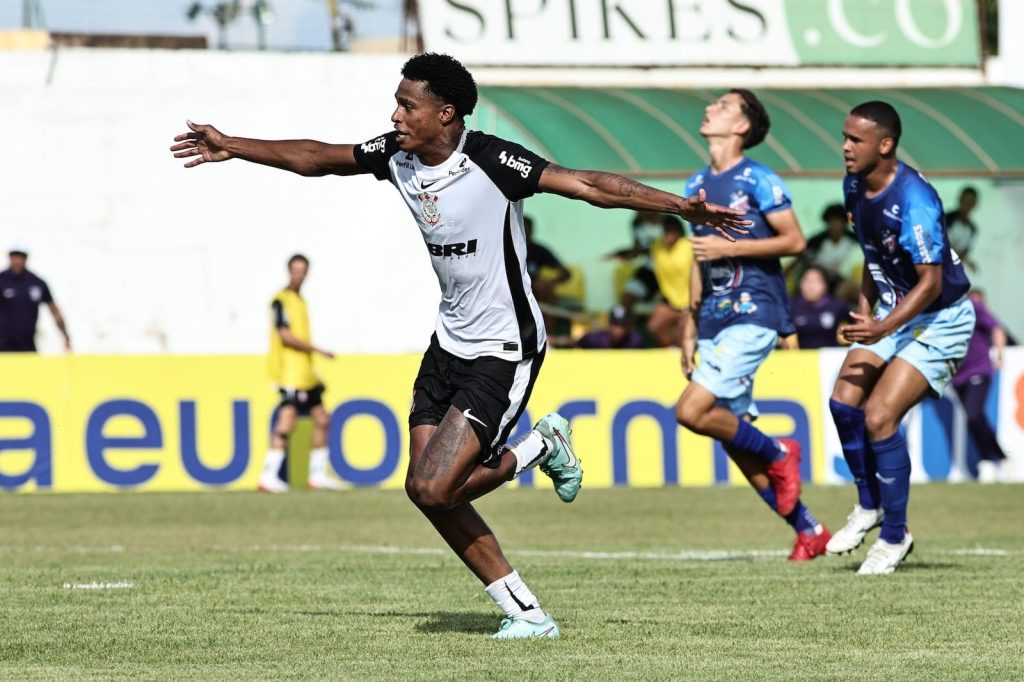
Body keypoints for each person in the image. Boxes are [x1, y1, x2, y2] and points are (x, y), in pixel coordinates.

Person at [170, 52, 748, 639]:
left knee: (433, 486)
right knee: (426, 491)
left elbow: (587, 185)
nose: (395, 116)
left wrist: (682, 208)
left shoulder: (492, 159)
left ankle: (540, 446)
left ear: (445, 113)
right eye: (396, 104)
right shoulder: (396, 156)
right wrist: (232, 145)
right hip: (448, 344)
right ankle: (526, 613)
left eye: (407, 105)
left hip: (504, 348)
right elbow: (318, 158)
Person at [675, 89, 832, 562]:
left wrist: (731, 248)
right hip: (714, 319)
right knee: (737, 441)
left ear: (742, 126)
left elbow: (795, 240)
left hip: (754, 312)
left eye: (723, 106)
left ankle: (781, 451)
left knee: (691, 411)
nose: (710, 108)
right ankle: (809, 529)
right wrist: (689, 324)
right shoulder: (695, 182)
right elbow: (699, 256)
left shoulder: (759, 179)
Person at [826, 101, 974, 574]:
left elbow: (931, 283)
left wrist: (882, 327)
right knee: (843, 403)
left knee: (879, 416)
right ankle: (868, 505)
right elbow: (872, 256)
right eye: (845, 136)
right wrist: (865, 309)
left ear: (885, 145)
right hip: (893, 312)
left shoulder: (915, 201)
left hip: (941, 318)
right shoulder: (854, 185)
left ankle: (895, 536)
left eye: (856, 139)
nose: (845, 146)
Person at [260, 254, 347, 493]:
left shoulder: (301, 301)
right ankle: (268, 475)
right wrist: (318, 350)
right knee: (287, 421)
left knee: (322, 419)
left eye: (302, 270)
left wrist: (312, 372)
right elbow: (285, 337)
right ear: (288, 271)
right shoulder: (280, 301)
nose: (299, 275)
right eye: (295, 270)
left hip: (304, 373)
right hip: (290, 374)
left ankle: (317, 475)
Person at [952, 290, 1009, 483]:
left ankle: (988, 461)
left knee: (974, 414)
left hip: (978, 369)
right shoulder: (939, 309)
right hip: (957, 377)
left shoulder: (972, 306)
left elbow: (997, 328)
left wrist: (999, 354)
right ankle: (999, 458)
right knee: (976, 419)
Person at [0, 245, 71, 353]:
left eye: (21, 257)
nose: (17, 261)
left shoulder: (37, 282)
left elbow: (54, 310)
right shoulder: (2, 280)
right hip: (3, 346)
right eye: (15, 256)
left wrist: (65, 336)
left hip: (28, 345)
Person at [792, 203, 862, 301]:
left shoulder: (853, 240)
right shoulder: (816, 241)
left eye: (838, 221)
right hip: (817, 278)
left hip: (839, 280)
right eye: (832, 221)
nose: (835, 225)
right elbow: (801, 258)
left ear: (844, 223)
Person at [647, 215, 694, 347]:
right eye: (664, 230)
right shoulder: (656, 246)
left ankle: (681, 352)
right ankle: (671, 350)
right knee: (654, 327)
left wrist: (693, 302)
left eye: (670, 230)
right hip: (669, 299)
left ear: (678, 231)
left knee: (683, 336)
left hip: (690, 300)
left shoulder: (688, 246)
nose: (667, 234)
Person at [523, 215, 571, 335]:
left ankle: (548, 335)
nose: (524, 233)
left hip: (533, 289)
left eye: (527, 229)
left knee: (544, 289)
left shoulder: (538, 250)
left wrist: (550, 282)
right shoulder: (504, 248)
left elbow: (566, 273)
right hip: (508, 287)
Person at [790, 266, 853, 349]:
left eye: (815, 281)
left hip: (830, 354)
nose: (810, 286)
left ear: (825, 285)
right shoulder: (793, 305)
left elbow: (856, 323)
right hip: (804, 355)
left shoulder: (837, 305)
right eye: (806, 280)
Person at [576, 305, 644, 349]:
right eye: (615, 324)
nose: (618, 330)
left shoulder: (635, 342)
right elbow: (575, 345)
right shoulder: (592, 340)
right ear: (608, 324)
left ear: (628, 327)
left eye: (622, 325)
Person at [944, 186, 979, 272]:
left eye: (970, 202)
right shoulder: (946, 219)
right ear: (960, 200)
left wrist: (967, 260)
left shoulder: (972, 229)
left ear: (975, 204)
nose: (966, 205)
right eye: (965, 201)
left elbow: (963, 253)